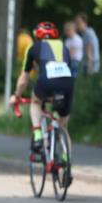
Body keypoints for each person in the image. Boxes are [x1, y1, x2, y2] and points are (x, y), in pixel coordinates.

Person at [9, 21, 74, 156]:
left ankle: (38, 135)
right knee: (63, 126)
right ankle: (66, 161)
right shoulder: (64, 46)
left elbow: (24, 79)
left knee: (36, 102)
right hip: (68, 83)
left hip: (47, 82)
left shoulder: (34, 47)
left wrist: (16, 95)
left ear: (37, 35)